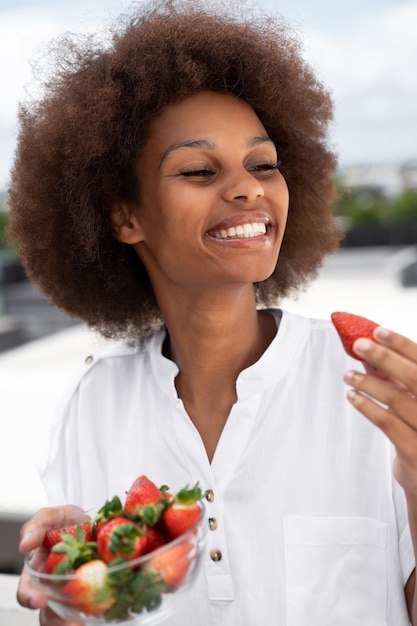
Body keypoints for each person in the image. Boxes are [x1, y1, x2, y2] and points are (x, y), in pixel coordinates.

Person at [7, 1, 417, 624]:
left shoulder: (375, 388)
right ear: (124, 217)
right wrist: (71, 596)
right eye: (200, 169)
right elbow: (92, 612)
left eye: (264, 164)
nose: (248, 188)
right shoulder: (91, 406)